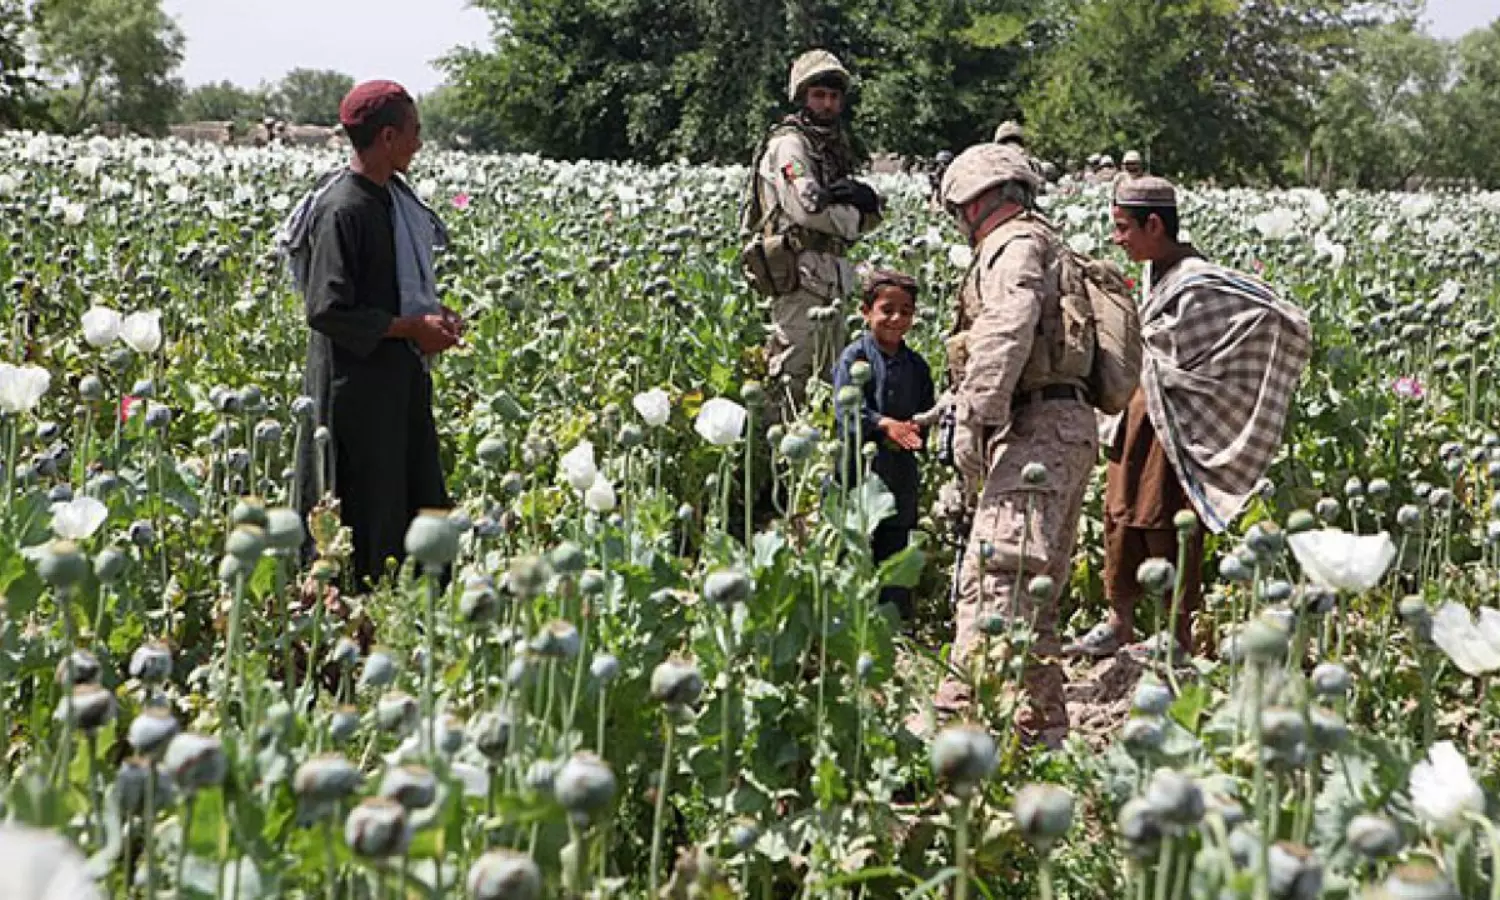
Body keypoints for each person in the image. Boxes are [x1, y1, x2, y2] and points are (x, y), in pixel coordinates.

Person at [1068, 176, 1311, 659]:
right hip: (1132, 417)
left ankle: (1176, 636)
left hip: (1173, 425)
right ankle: (1119, 622)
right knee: (1118, 518)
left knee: (1166, 521)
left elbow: (1276, 314)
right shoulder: (1153, 273)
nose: (1118, 239)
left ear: (1153, 224)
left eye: (1123, 228)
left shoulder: (1199, 281)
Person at [931, 143, 1099, 746]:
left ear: (976, 200)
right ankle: (1038, 725)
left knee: (997, 577)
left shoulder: (1014, 247)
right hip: (1061, 429)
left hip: (1037, 432)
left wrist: (974, 417)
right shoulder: (1049, 243)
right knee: (1036, 589)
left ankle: (965, 725)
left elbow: (1007, 327)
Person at [278, 80, 465, 589]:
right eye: (414, 133)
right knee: (366, 506)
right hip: (355, 394)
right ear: (387, 138)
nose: (420, 144)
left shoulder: (390, 201)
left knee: (409, 494)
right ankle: (358, 609)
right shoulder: (344, 209)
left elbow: (398, 294)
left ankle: (411, 597)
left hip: (395, 383)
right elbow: (326, 309)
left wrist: (432, 317)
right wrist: (410, 328)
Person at [750, 50, 883, 423]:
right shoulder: (790, 145)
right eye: (819, 95)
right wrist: (857, 215)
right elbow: (806, 207)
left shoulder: (833, 145)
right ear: (802, 96)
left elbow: (873, 215)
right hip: (799, 277)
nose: (828, 104)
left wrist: (862, 203)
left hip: (833, 277)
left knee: (829, 379)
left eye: (834, 96)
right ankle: (775, 472)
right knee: (793, 377)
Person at [831, 270, 935, 623]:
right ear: (865, 311)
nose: (896, 319)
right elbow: (846, 409)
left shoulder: (917, 366)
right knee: (854, 540)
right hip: (856, 470)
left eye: (905, 311)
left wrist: (917, 428)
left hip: (900, 472)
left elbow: (925, 411)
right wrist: (881, 424)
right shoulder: (853, 357)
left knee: (896, 544)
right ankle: (847, 619)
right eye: (887, 310)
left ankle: (892, 625)